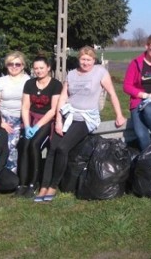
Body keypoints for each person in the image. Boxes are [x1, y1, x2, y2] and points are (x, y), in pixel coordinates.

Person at [36, 46, 126, 202]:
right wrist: (58, 119)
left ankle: (53, 186)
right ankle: (44, 186)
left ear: (94, 60)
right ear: (79, 59)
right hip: (68, 113)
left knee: (63, 148)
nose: (85, 63)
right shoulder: (71, 74)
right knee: (52, 148)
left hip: (85, 117)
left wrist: (119, 114)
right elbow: (63, 97)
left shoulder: (100, 73)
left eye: (89, 60)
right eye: (83, 59)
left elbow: (112, 93)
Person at [15, 55, 62, 198]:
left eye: (41, 68)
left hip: (46, 120)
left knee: (35, 144)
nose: (38, 71)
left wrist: (37, 128)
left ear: (48, 68)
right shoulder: (29, 84)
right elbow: (25, 107)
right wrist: (28, 126)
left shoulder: (55, 85)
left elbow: (53, 110)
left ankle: (33, 184)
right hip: (30, 118)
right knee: (24, 144)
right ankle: (22, 184)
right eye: (36, 68)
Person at [0, 51, 30, 174]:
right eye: (10, 64)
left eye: (17, 64)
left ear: (22, 66)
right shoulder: (1, 82)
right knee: (1, 145)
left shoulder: (28, 81)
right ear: (6, 65)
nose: (14, 67)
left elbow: (29, 104)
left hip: (21, 118)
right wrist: (0, 122)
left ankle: (12, 174)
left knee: (14, 146)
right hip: (3, 118)